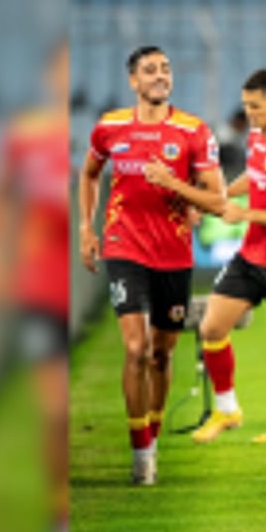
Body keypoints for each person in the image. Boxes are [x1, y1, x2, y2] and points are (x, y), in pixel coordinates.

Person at [78, 46, 224, 483]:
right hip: (124, 246)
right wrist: (86, 227)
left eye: (165, 68)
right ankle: (141, 454)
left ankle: (152, 439)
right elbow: (89, 174)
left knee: (161, 355)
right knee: (135, 349)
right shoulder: (109, 127)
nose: (160, 75)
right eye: (150, 70)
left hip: (173, 254)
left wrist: (175, 185)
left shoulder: (194, 131)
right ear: (133, 81)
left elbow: (216, 200)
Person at [163, 69, 266, 445]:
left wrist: (245, 214)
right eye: (246, 106)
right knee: (211, 328)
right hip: (251, 256)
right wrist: (219, 200)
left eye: (256, 106)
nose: (249, 113)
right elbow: (255, 176)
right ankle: (227, 409)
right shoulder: (256, 137)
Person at [0, 39, 70, 532]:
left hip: (79, 279)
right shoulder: (26, 135)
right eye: (61, 68)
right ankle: (60, 513)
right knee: (56, 407)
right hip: (40, 287)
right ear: (48, 76)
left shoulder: (99, 138)